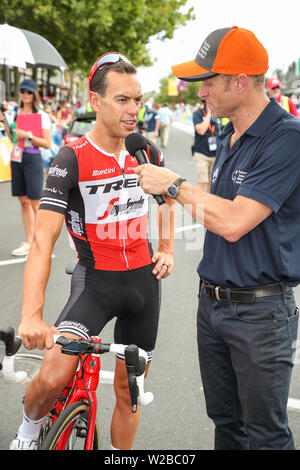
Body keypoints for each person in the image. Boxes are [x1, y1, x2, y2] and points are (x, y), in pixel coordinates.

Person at [135, 26, 300, 450]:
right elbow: (214, 209)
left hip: (261, 315)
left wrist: (173, 184)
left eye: (208, 81)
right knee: (227, 425)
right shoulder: (230, 134)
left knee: (265, 436)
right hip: (213, 305)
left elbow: (232, 221)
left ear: (240, 82)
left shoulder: (287, 138)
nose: (200, 92)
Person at [11, 52, 175, 451]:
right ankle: (28, 432)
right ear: (95, 100)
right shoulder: (71, 159)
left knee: (128, 391)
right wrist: (31, 315)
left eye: (137, 99)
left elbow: (168, 200)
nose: (133, 109)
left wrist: (167, 247)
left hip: (143, 285)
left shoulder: (146, 151)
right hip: (95, 283)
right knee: (52, 376)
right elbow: (43, 240)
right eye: (122, 99)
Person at [10, 79, 52, 257]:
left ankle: (39, 241)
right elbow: (13, 136)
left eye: (28, 91)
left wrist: (27, 134)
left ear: (34, 94)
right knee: (23, 201)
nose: (25, 94)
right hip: (17, 156)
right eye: (22, 91)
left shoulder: (41, 115)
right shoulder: (16, 113)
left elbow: (47, 143)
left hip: (33, 157)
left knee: (35, 202)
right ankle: (29, 240)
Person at [192, 99, 220, 192]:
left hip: (215, 154)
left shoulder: (219, 115)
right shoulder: (198, 114)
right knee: (202, 182)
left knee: (212, 183)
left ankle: (206, 205)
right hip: (201, 153)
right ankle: (196, 205)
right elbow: (201, 130)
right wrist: (209, 114)